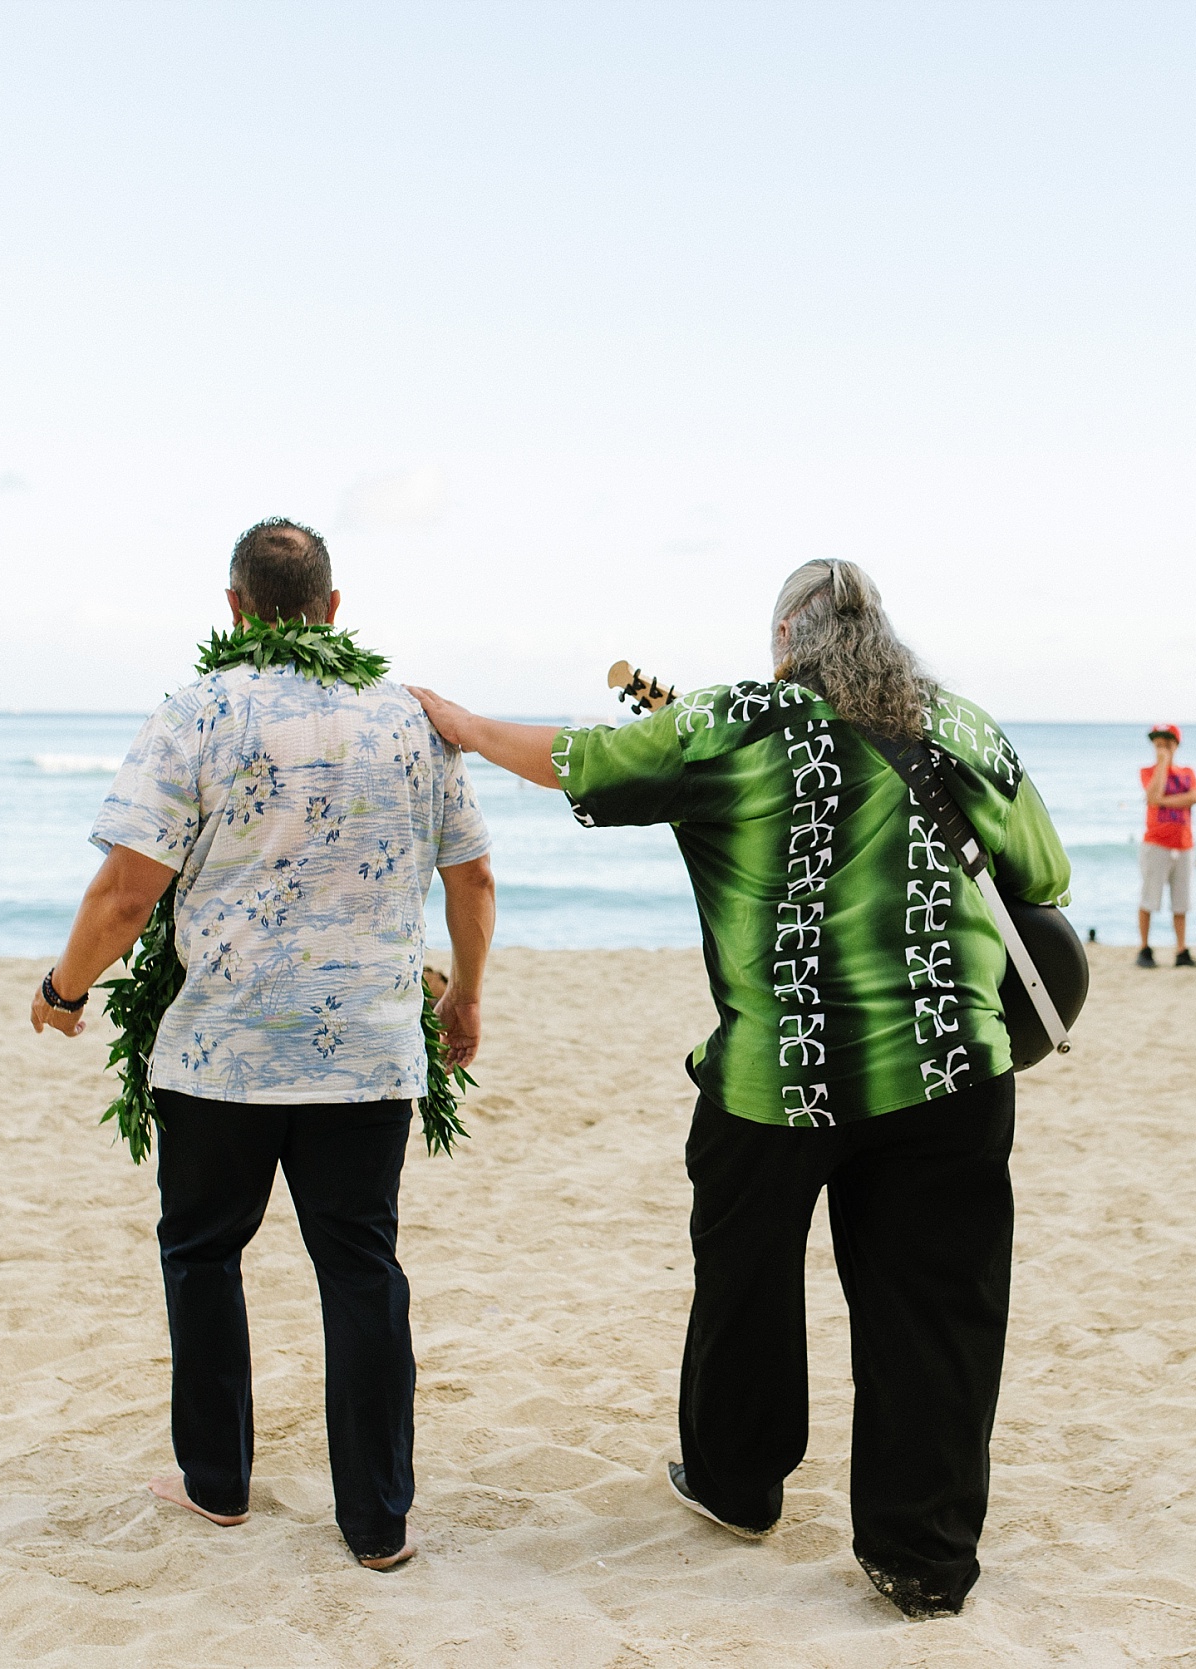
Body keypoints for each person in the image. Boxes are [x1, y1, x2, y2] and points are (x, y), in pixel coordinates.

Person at [411, 559, 1071, 1622]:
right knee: (939, 1311)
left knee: (745, 1279)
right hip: (950, 1069)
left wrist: (466, 725)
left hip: (782, 1077)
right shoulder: (966, 729)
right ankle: (923, 1561)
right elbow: (1042, 876)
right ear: (884, 641)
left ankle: (736, 1482)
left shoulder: (739, 722)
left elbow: (581, 759)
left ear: (783, 646)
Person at [28, 517, 497, 1572]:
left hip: (220, 1055)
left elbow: (126, 891)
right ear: (334, 608)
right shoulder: (408, 719)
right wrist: (464, 998)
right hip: (368, 1055)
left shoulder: (196, 710)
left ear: (232, 610)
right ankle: (377, 1523)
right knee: (361, 1271)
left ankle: (217, 1483)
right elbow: (470, 877)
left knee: (202, 1257)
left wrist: (63, 988)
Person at [1134, 724, 1196, 968]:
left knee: (1182, 901)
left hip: (1183, 844)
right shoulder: (1148, 771)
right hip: (1156, 843)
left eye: (1167, 742)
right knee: (1149, 897)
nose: (1162, 747)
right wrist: (1162, 765)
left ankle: (1181, 950)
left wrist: (1163, 801)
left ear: (1176, 744)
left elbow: (1194, 797)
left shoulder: (1187, 772)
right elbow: (1153, 795)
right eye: (1158, 743)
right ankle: (1144, 947)